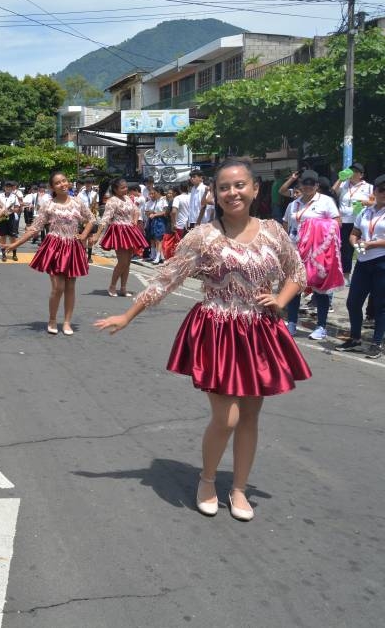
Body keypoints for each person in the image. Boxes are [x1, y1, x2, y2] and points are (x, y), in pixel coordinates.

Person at [95, 158, 311, 522]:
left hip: (259, 332)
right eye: (224, 187)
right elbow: (165, 280)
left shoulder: (274, 231)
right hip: (219, 332)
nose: (232, 192)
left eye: (240, 185)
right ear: (215, 193)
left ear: (255, 189)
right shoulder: (203, 236)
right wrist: (128, 314)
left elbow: (297, 272)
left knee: (250, 417)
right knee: (226, 418)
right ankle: (208, 479)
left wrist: (281, 300)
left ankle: (239, 488)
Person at [2, 171, 94, 335]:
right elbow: (35, 228)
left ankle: (67, 322)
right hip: (55, 247)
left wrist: (84, 235)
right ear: (52, 187)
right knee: (58, 287)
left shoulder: (78, 202)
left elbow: (91, 219)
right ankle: (52, 319)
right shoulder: (48, 205)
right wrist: (14, 244)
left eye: (64, 180)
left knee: (71, 286)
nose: (62, 184)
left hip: (72, 246)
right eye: (58, 183)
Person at [282, 170, 343, 339]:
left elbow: (337, 223)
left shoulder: (326, 202)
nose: (308, 186)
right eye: (305, 183)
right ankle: (292, 322)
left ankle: (321, 326)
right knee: (294, 287)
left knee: (320, 289)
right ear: (300, 184)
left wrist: (314, 226)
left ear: (317, 185)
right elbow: (286, 223)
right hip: (296, 251)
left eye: (312, 183)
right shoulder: (294, 204)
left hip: (316, 253)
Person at [338, 174, 385, 358]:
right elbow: (354, 232)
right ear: (374, 191)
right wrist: (354, 243)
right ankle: (355, 338)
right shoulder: (366, 211)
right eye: (381, 189)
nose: (383, 193)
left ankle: (376, 343)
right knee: (353, 302)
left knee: (381, 305)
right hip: (363, 262)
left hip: (381, 262)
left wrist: (372, 244)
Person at [92, 177, 148, 297]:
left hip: (129, 230)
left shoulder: (127, 198)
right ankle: (112, 286)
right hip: (119, 231)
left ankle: (123, 288)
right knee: (122, 262)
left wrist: (134, 220)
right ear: (115, 189)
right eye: (122, 188)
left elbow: (136, 210)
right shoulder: (112, 201)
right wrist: (97, 234)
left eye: (126, 187)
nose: (125, 189)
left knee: (127, 262)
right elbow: (105, 218)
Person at [332, 163, 373, 282]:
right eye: (351, 171)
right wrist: (341, 178)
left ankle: (365, 269)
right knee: (345, 249)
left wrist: (363, 203)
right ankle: (346, 274)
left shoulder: (368, 187)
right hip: (344, 221)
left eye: (355, 171)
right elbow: (333, 192)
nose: (352, 173)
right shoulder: (344, 184)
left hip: (360, 221)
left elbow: (374, 202)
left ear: (361, 175)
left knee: (360, 245)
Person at [0, 181, 22, 261]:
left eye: (10, 187)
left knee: (13, 237)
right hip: (2, 217)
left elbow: (17, 208)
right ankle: (3, 254)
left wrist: (12, 210)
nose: (8, 188)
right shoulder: (0, 196)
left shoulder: (14, 197)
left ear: (12, 188)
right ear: (4, 188)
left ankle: (14, 254)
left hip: (11, 217)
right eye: (7, 187)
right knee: (3, 236)